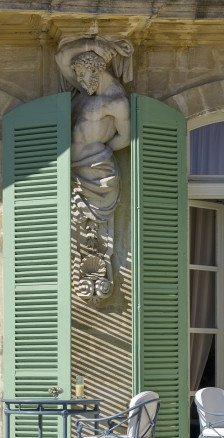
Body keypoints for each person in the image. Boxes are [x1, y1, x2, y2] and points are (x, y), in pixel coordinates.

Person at [56, 37, 133, 302]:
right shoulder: (85, 91)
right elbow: (61, 58)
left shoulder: (116, 102)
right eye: (77, 72)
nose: (76, 76)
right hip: (75, 170)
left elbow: (125, 137)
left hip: (97, 171)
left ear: (95, 70)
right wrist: (93, 44)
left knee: (93, 233)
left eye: (81, 72)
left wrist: (98, 153)